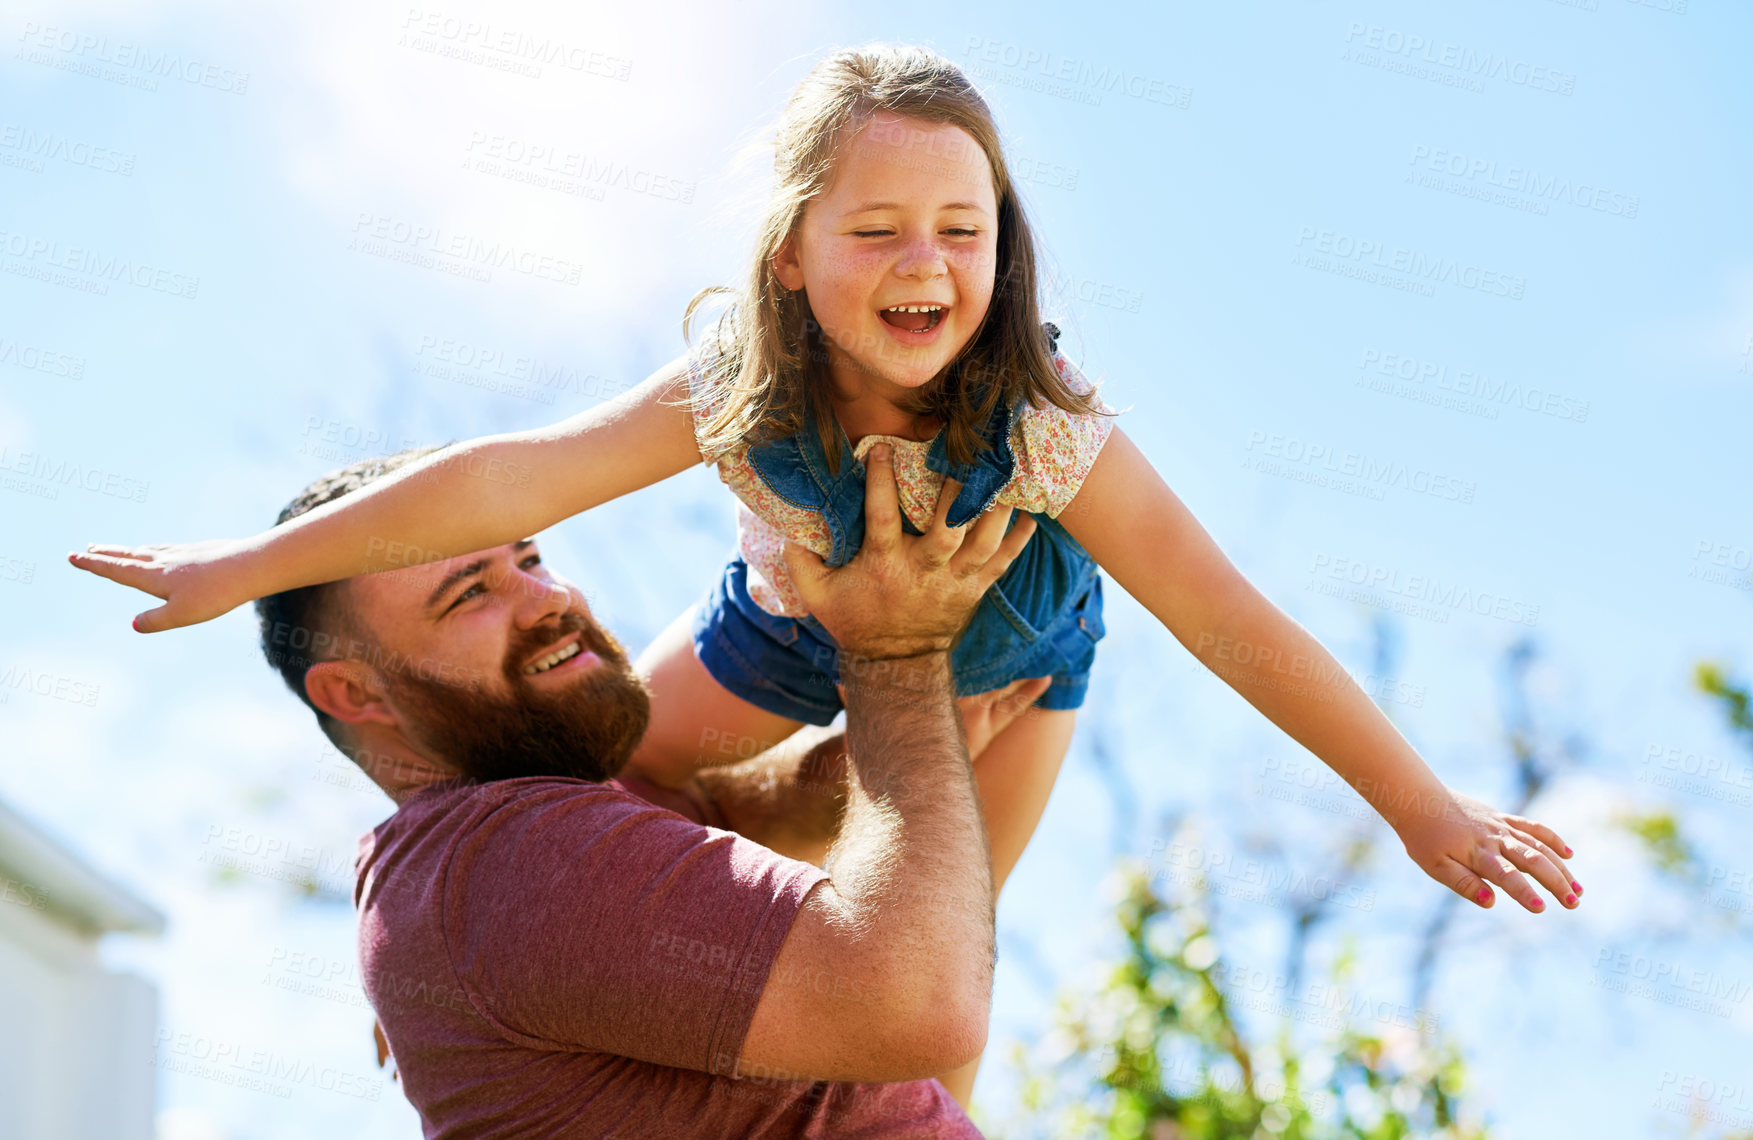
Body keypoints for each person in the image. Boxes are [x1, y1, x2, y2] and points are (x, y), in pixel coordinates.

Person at [71, 42, 1582, 1108]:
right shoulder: (739, 381)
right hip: (781, 638)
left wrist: (1420, 806)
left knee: (933, 1019)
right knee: (582, 787)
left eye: (960, 230)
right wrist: (243, 565)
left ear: (1005, 251)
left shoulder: (1044, 427)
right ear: (790, 253)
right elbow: (507, 477)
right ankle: (473, 1006)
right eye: (876, 230)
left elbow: (1225, 614)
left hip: (1014, 670)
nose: (924, 263)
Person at [244, 444, 1035, 1136]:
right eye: (469, 593)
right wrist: (894, 660)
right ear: (355, 694)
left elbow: (726, 814)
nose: (549, 597)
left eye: (527, 560)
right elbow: (914, 1004)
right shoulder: (500, 862)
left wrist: (893, 751)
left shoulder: (483, 852)